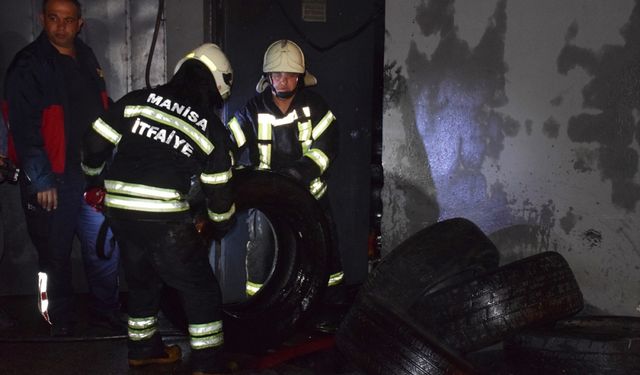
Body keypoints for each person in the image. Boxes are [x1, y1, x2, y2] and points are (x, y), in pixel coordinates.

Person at [81, 43, 235, 375]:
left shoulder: (139, 100)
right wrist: (218, 225)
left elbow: (94, 143)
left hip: (120, 209)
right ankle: (209, 365)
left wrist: (94, 180)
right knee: (200, 288)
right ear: (217, 84)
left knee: (143, 279)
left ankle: (143, 349)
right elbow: (219, 197)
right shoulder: (211, 127)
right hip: (164, 216)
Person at [3, 0, 122, 337]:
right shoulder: (29, 64)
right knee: (53, 258)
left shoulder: (87, 58)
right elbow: (23, 128)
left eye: (68, 20)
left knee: (102, 250)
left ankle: (106, 315)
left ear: (79, 24)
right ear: (43, 19)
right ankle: (59, 321)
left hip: (91, 175)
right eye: (54, 18)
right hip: (52, 179)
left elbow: (100, 110)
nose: (61, 26)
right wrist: (41, 179)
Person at [226, 39, 345, 330]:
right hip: (267, 202)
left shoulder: (315, 106)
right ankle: (260, 315)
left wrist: (298, 175)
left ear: (300, 78)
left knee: (324, 254)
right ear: (267, 78)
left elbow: (326, 146)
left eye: (290, 74)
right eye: (277, 74)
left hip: (310, 198)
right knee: (261, 255)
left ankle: (329, 310)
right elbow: (229, 143)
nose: (283, 79)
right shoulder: (252, 109)